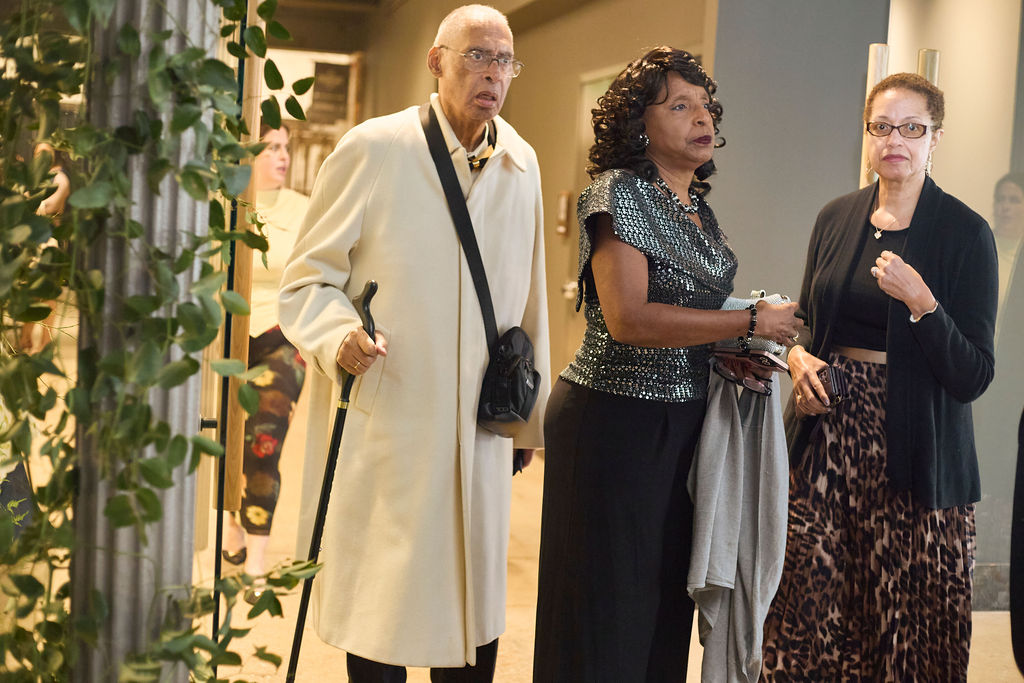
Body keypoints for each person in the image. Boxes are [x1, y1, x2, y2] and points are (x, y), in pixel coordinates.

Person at [277, 5, 549, 680]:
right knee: (384, 608)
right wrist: (339, 335)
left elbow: (530, 300)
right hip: (392, 419)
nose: (493, 74)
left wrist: (526, 418)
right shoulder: (375, 149)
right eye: (477, 56)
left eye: (505, 61)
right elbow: (306, 279)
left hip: (480, 425)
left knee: (471, 610)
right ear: (437, 61)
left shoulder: (521, 163)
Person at [532, 47, 799, 683]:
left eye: (705, 105)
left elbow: (686, 314)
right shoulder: (617, 193)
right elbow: (629, 318)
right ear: (638, 124)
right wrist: (749, 323)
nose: (701, 118)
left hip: (683, 423)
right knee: (605, 609)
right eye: (679, 106)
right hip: (612, 421)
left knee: (660, 611)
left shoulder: (697, 209)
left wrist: (726, 351)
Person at [761, 73, 998, 681]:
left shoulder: (966, 232)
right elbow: (807, 325)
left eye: (912, 128)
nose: (895, 140)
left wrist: (924, 304)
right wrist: (797, 359)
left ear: (935, 138)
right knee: (807, 607)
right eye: (882, 126)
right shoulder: (836, 217)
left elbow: (974, 374)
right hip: (826, 437)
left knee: (904, 623)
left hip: (917, 448)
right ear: (867, 134)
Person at [221, 124, 309, 602]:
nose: (282, 156)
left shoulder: (304, 209)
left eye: (285, 148)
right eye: (271, 147)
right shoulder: (224, 205)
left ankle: (256, 560)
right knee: (225, 441)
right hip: (226, 340)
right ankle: (231, 522)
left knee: (264, 444)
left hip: (281, 338)